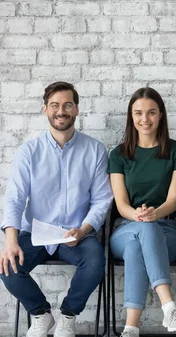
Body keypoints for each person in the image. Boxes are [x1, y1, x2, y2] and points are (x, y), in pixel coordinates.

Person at [0, 81, 112, 337]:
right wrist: (11, 240)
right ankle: (41, 314)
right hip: (35, 233)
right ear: (45, 110)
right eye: (55, 105)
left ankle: (68, 316)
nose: (61, 111)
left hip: (76, 233)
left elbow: (102, 200)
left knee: (95, 262)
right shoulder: (29, 151)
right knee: (7, 265)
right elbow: (15, 198)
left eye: (67, 105)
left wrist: (83, 231)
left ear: (77, 109)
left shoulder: (94, 150)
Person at [108, 87, 176, 337]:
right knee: (140, 232)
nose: (145, 119)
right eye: (139, 113)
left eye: (151, 112)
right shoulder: (118, 155)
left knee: (138, 246)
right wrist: (140, 216)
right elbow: (121, 204)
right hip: (126, 228)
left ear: (161, 115)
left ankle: (131, 327)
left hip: (166, 232)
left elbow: (174, 200)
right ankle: (169, 305)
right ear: (131, 117)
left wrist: (155, 214)